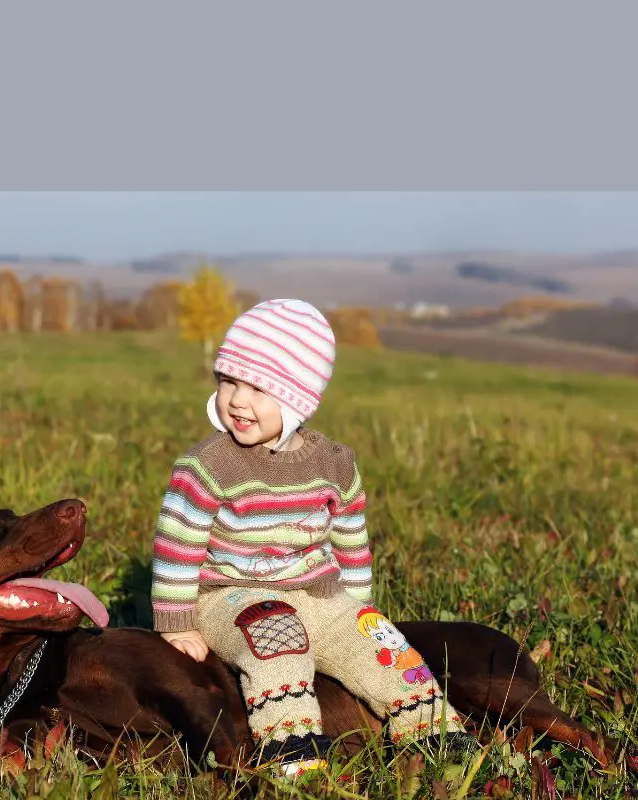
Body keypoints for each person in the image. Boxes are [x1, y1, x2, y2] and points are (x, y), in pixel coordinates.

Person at [150, 299, 467, 777]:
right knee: (276, 640)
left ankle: (433, 728)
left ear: (297, 400)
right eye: (228, 381)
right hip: (228, 598)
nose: (237, 399)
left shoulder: (335, 464)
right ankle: (292, 750)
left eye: (258, 388)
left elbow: (350, 538)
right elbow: (179, 545)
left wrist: (359, 606)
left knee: (379, 643)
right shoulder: (208, 467)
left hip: (316, 594)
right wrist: (176, 621)